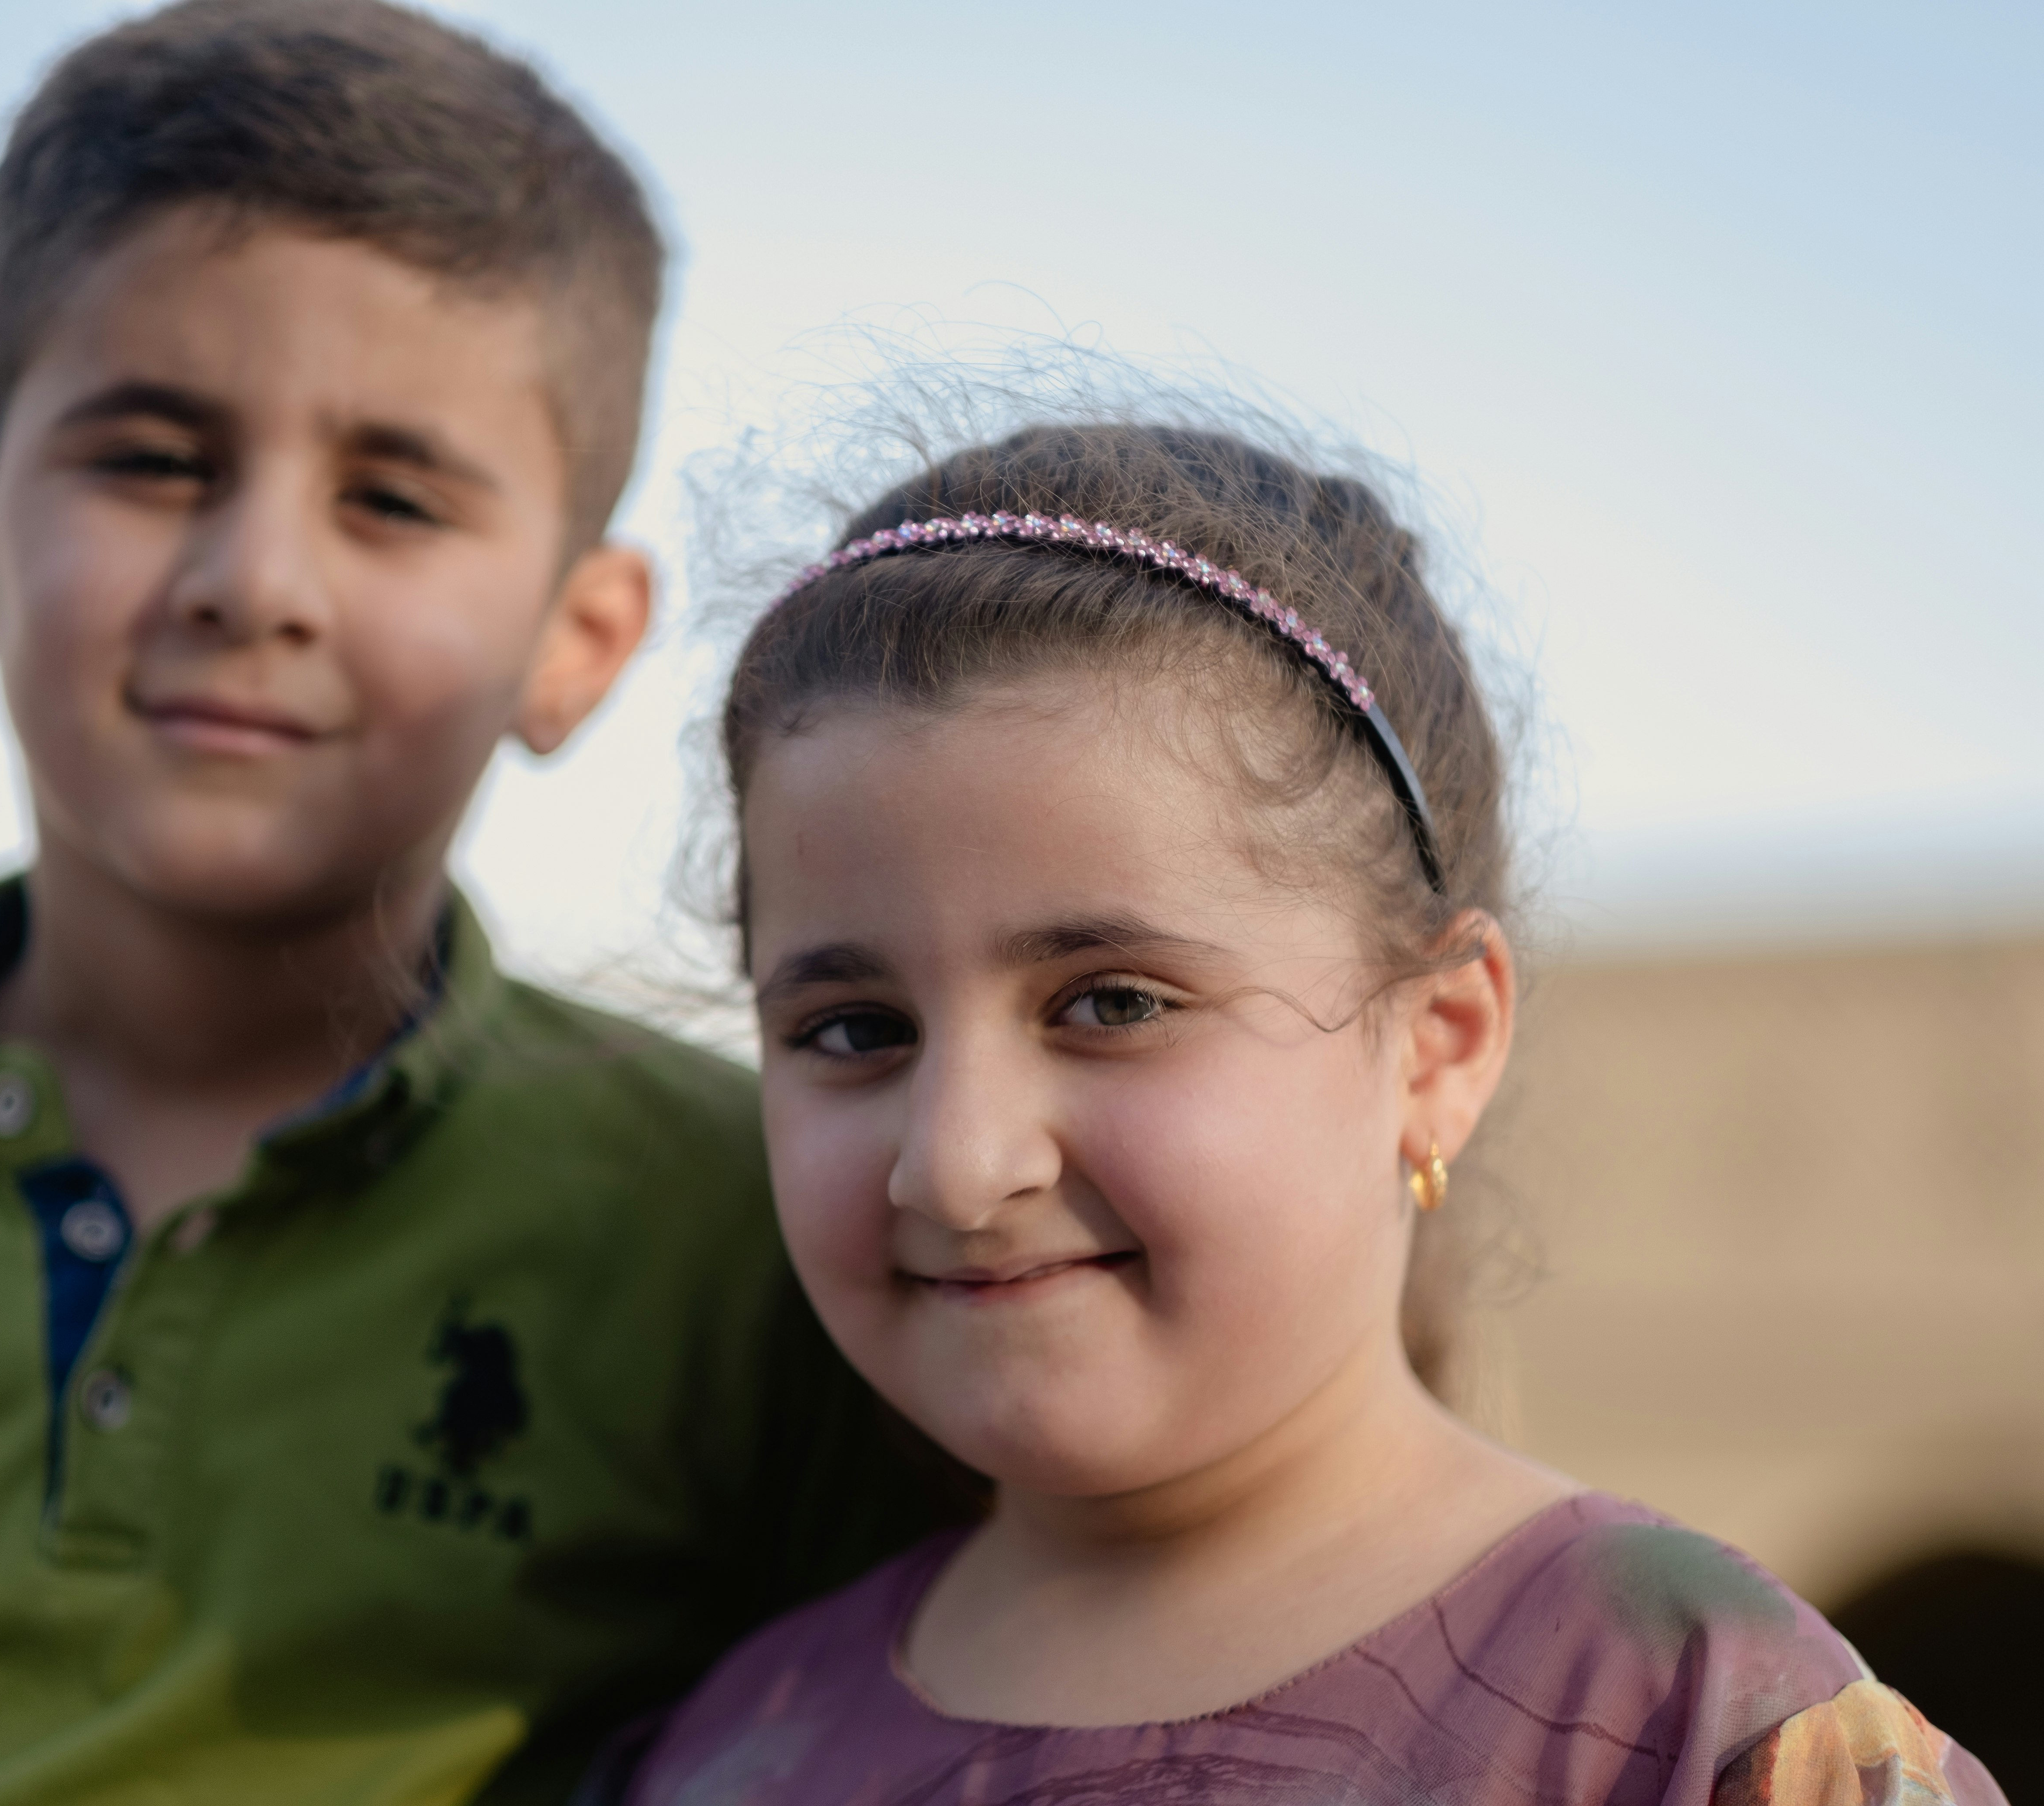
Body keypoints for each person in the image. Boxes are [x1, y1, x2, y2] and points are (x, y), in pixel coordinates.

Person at [0, 6, 948, 1802]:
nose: (253, 579)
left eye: (394, 498)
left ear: (576, 642)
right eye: (153, 460)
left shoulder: (752, 1226)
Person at [618, 422, 2007, 1803]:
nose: (959, 1164)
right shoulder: (725, 1743)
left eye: (1112, 1004)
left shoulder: (1689, 1720)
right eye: (854, 1031)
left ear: (1437, 1049)